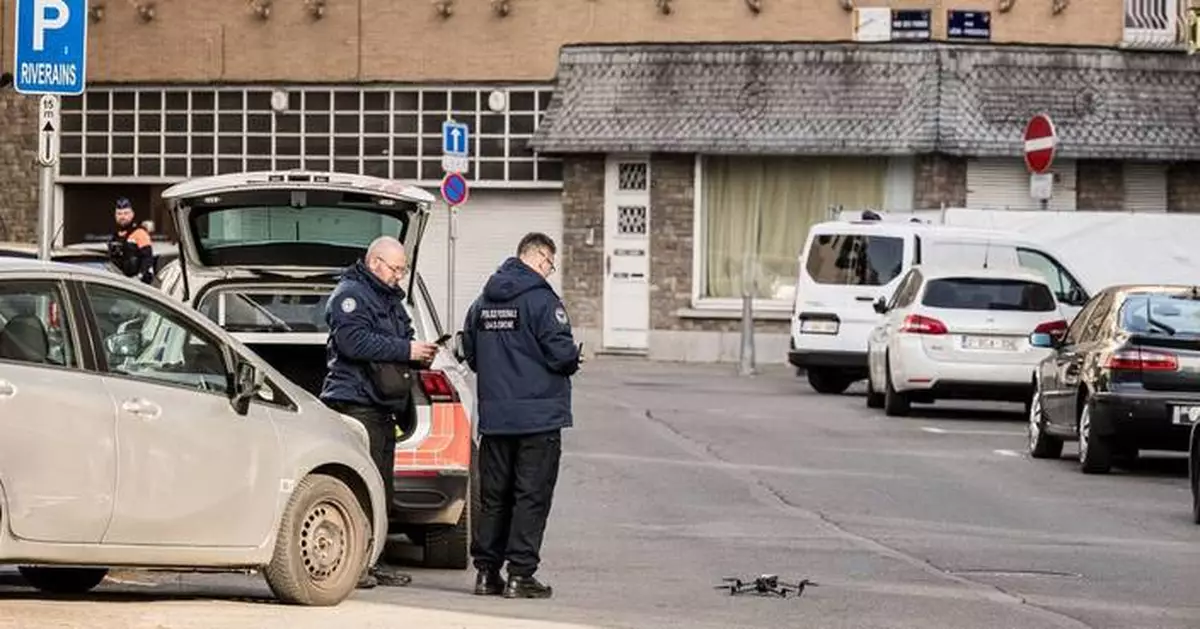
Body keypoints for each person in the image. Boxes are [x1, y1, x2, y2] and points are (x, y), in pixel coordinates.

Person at [461, 232, 582, 599]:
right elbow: (561, 354)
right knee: (531, 496)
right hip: (538, 419)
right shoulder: (543, 301)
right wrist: (573, 357)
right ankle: (520, 575)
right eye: (550, 265)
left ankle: (486, 573)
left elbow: (472, 355)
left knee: (494, 497)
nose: (549, 271)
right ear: (541, 257)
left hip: (496, 418)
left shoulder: (482, 302)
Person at [319, 235, 439, 589]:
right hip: (356, 403)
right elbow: (352, 342)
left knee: (380, 489)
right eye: (396, 269)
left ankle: (374, 561)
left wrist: (419, 351)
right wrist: (406, 350)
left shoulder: (389, 299)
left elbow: (404, 333)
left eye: (403, 270)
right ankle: (355, 566)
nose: (399, 276)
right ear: (375, 263)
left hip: (382, 405)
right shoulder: (351, 295)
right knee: (361, 487)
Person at [106, 197, 155, 284]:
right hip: (119, 282)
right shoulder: (113, 237)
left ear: (132, 214)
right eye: (119, 214)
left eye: (126, 213)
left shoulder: (140, 233)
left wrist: (139, 277)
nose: (122, 217)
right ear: (115, 216)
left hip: (136, 284)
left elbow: (147, 259)